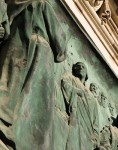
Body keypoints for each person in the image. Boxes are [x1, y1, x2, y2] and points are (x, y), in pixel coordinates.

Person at [0, 0, 67, 149]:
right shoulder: (42, 3)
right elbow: (61, 46)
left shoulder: (12, 3)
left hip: (14, 43)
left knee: (8, 86)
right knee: (35, 100)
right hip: (39, 52)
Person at [61, 62, 100, 150]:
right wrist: (77, 91)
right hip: (76, 121)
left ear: (86, 73)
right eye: (78, 66)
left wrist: (96, 138)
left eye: (83, 67)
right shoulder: (70, 77)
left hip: (88, 131)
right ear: (74, 69)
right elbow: (65, 84)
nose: (81, 68)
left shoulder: (92, 98)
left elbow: (95, 121)